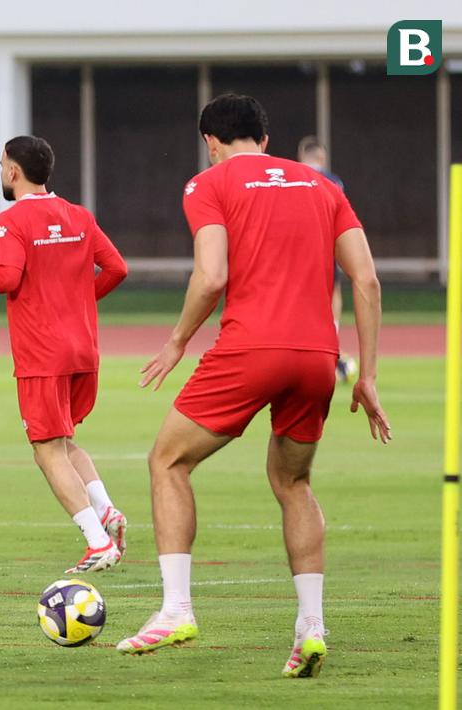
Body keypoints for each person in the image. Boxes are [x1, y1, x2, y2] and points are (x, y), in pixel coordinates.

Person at [116, 94, 391, 680]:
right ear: (265, 141)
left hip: (249, 349)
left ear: (210, 143)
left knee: (167, 461)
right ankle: (311, 626)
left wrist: (177, 340)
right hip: (318, 356)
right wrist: (365, 376)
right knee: (293, 481)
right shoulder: (321, 186)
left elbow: (212, 275)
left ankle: (175, 610)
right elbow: (366, 279)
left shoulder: (208, 183)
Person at [0, 135, 129, 574]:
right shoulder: (78, 214)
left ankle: (98, 542)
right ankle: (106, 510)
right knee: (64, 441)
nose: (2, 172)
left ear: (13, 171)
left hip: (43, 352)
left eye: (3, 165)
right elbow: (117, 268)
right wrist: (79, 302)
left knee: (46, 450)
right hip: (84, 350)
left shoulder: (12, 220)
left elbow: (6, 277)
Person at [298, 135, 356, 383]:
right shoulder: (333, 181)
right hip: (324, 249)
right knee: (333, 297)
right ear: (321, 156)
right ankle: (330, 351)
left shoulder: (290, 176)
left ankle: (311, 353)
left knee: (299, 301)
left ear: (302, 156)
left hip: (295, 252)